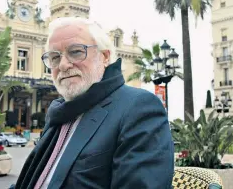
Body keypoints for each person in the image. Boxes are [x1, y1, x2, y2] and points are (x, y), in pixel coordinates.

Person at [11, 17, 174, 189]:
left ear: (104, 57)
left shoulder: (138, 107)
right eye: (54, 57)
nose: (64, 65)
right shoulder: (59, 113)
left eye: (76, 52)